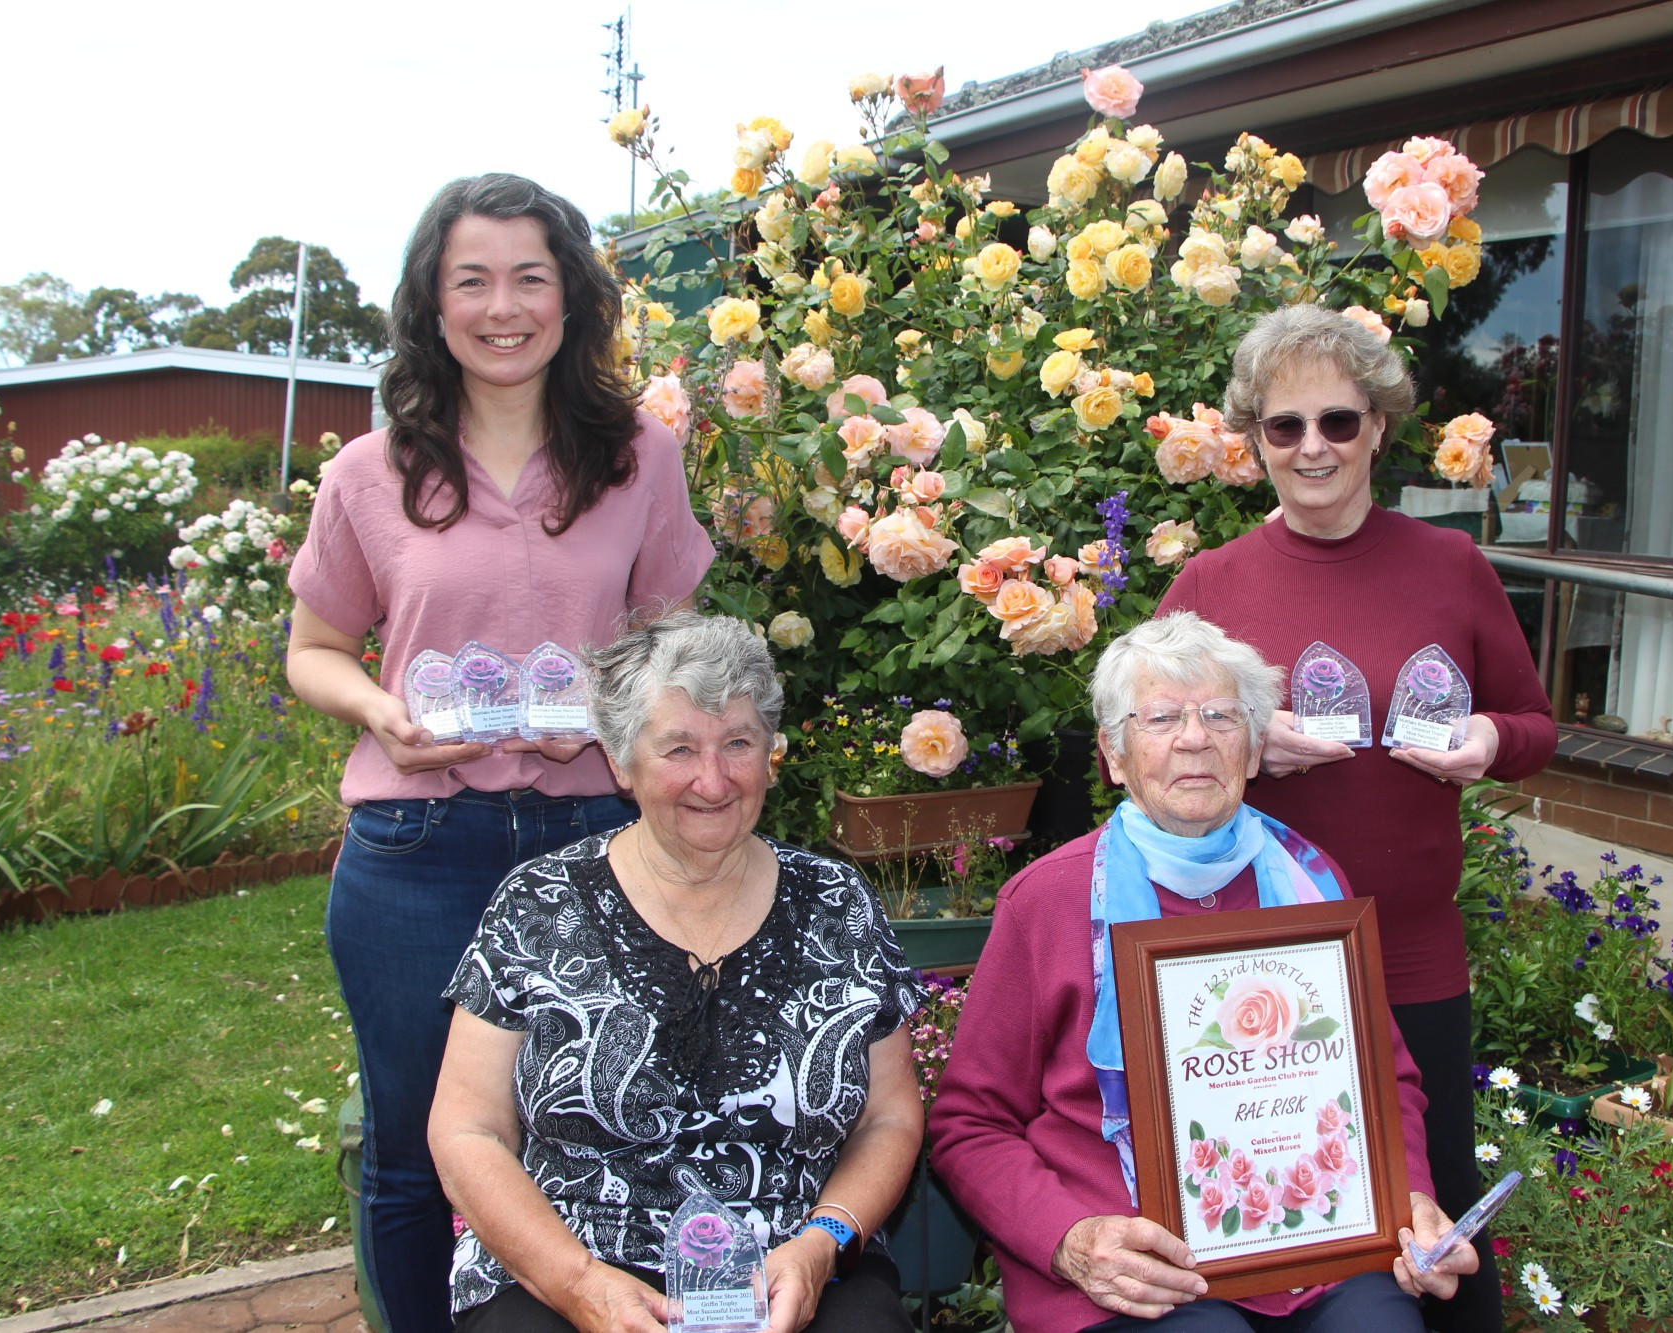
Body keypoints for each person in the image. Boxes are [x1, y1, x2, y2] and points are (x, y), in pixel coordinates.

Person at [286, 173, 716, 1331]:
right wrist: (379, 712)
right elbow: (315, 647)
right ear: (431, 305)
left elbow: (668, 637)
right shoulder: (369, 473)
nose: (502, 304)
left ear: (571, 301)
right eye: (469, 279)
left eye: (531, 276)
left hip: (596, 835)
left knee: (615, 1120)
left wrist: (637, 711)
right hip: (417, 848)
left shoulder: (638, 456)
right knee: (415, 1139)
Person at [1157, 303, 1558, 1332]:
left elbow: (1531, 722)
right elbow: (1148, 738)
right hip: (1257, 956)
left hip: (1410, 945)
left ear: (1379, 425)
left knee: (1440, 1202)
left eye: (1336, 421)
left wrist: (1484, 744)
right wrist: (1247, 742)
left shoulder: (1450, 566)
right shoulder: (1211, 583)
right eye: (1282, 427)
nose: (1311, 448)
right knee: (1279, 1200)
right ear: (1252, 441)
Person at [928, 614, 1477, 1333]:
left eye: (1221, 714)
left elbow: (1384, 1079)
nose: (1195, 737)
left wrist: (1407, 1198)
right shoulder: (1049, 901)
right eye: (1160, 717)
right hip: (1137, 1265)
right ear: (1114, 755)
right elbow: (970, 1123)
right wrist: (1071, 1240)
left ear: (1252, 749)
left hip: (1319, 1250)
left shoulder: (1315, 884)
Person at [430, 612, 924, 1333]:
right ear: (621, 761)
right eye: (679, 748)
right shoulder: (538, 902)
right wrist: (579, 1284)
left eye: (738, 743)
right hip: (575, 1260)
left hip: (794, 1261)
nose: (713, 779)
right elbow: (466, 1129)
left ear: (769, 753)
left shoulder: (838, 901)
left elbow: (889, 1115)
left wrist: (825, 1243)